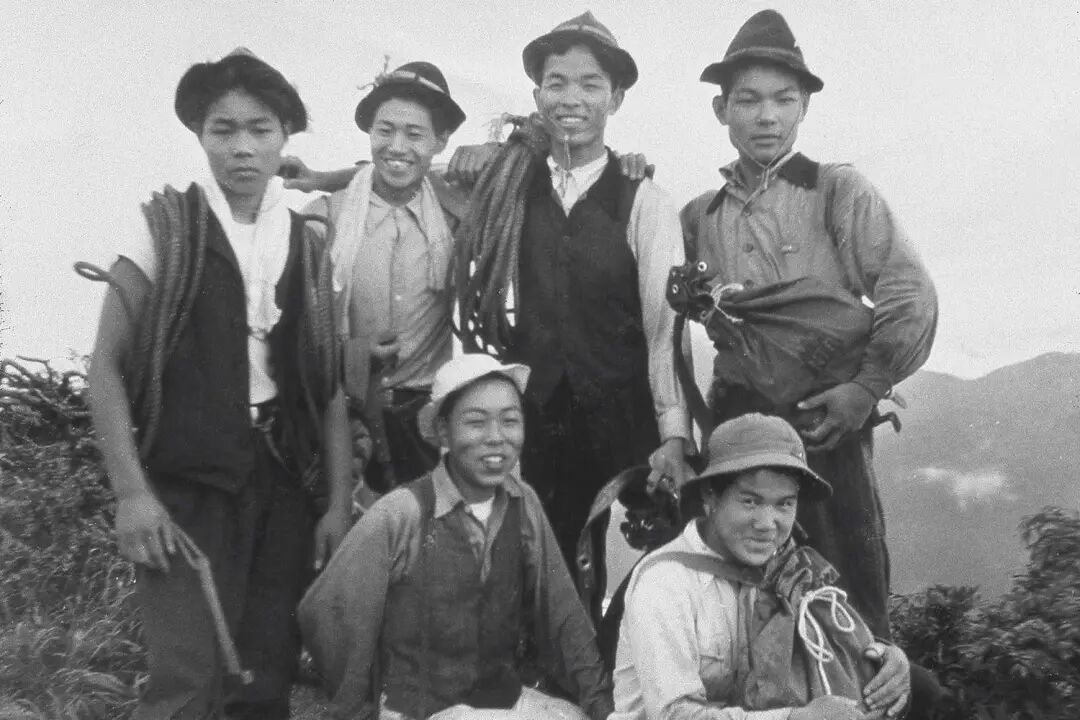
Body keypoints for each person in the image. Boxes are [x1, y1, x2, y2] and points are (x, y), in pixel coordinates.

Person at [86, 49, 351, 719]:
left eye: (260, 129)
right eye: (223, 129)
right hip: (186, 485)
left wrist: (337, 503)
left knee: (264, 673)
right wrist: (132, 494)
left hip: (283, 484)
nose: (242, 147)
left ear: (286, 135)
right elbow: (105, 368)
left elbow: (330, 387)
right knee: (188, 678)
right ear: (199, 134)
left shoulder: (307, 242)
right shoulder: (164, 229)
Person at [680, 10, 938, 638]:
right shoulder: (697, 217)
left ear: (804, 108)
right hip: (736, 425)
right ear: (721, 110)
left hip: (824, 422)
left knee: (848, 590)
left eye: (783, 99)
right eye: (748, 100)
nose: (766, 116)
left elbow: (909, 292)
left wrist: (865, 388)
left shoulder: (836, 190)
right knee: (739, 596)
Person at [298, 353, 613, 720]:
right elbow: (326, 610)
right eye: (476, 422)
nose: (496, 438)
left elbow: (562, 615)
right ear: (443, 431)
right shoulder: (403, 512)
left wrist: (601, 707)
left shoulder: (522, 502)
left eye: (510, 421)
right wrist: (358, 703)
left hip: (499, 703)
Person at [508, 12, 692, 617]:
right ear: (537, 95)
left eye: (590, 85)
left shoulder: (644, 200)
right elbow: (411, 178)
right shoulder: (511, 190)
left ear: (614, 99)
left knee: (662, 571)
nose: (571, 98)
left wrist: (673, 435)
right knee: (551, 566)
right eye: (556, 82)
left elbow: (665, 328)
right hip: (540, 414)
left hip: (624, 415)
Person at [612, 413, 913, 720]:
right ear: (709, 496)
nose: (767, 524)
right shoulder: (664, 584)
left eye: (784, 504)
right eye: (750, 502)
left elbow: (828, 641)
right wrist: (796, 719)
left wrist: (884, 661)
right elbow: (672, 716)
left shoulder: (787, 567)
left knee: (924, 690)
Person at [301, 61, 469, 495]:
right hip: (343, 412)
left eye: (415, 134)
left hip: (426, 421)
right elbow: (295, 326)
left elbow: (519, 170)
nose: (397, 146)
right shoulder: (326, 216)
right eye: (385, 130)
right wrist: (351, 353)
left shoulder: (455, 219)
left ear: (440, 141)